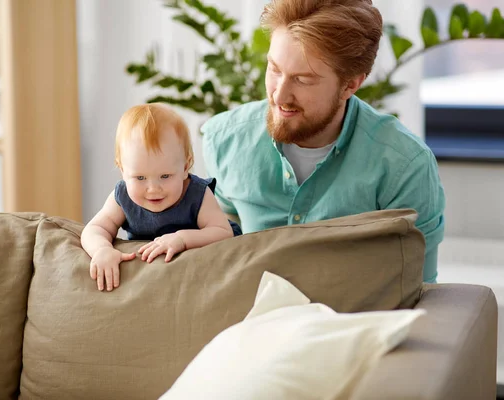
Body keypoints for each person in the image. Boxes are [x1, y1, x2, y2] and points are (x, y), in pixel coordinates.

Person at [201, 0, 445, 283]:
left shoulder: (404, 167)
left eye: (303, 80)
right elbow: (220, 256)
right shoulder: (225, 140)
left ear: (350, 85)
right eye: (275, 69)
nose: (279, 96)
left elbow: (419, 292)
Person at [82, 104, 241, 291]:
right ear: (122, 170)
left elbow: (223, 232)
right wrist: (102, 250)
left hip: (199, 259)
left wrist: (181, 239)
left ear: (185, 167)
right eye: (140, 178)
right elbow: (95, 228)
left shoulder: (197, 193)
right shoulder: (122, 196)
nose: (153, 189)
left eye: (165, 176)